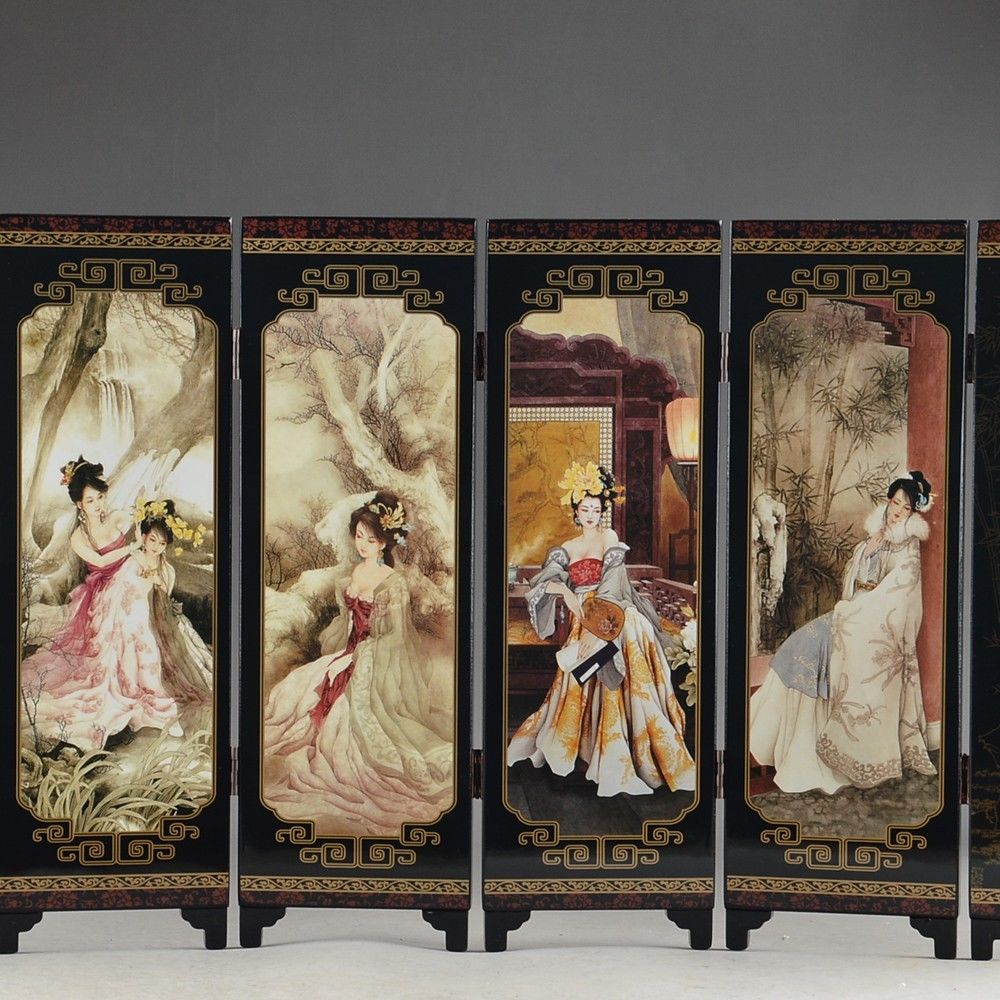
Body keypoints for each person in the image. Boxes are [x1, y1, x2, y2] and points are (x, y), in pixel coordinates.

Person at [263, 491, 453, 837]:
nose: (363, 544)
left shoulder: (393, 582)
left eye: (371, 539)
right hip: (349, 651)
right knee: (294, 692)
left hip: (375, 658)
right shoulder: (356, 572)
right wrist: (343, 653)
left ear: (386, 542)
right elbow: (349, 623)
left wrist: (360, 656)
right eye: (359, 536)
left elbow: (395, 638)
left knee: (347, 718)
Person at [506, 461, 696, 796]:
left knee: (631, 631)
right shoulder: (566, 549)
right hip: (583, 613)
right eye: (585, 509)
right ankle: (588, 743)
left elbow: (610, 586)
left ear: (602, 511)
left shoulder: (609, 537)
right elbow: (540, 585)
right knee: (583, 661)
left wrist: (599, 626)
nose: (591, 515)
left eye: (596, 509)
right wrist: (566, 591)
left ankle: (633, 743)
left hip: (613, 609)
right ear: (576, 512)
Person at [749, 471, 938, 794]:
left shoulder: (907, 548)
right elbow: (853, 582)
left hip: (874, 622)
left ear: (912, 513)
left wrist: (855, 613)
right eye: (895, 503)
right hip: (852, 611)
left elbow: (898, 596)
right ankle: (783, 745)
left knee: (819, 645)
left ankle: (820, 753)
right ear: (888, 501)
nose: (896, 511)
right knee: (798, 644)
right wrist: (865, 553)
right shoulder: (874, 538)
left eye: (905, 508)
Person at [20, 460, 196, 752]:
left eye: (100, 497)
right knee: (122, 628)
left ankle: (145, 682)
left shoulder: (115, 516)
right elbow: (101, 561)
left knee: (138, 618)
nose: (98, 504)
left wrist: (147, 528)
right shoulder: (78, 537)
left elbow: (143, 530)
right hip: (105, 590)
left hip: (130, 577)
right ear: (79, 504)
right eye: (90, 500)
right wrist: (131, 547)